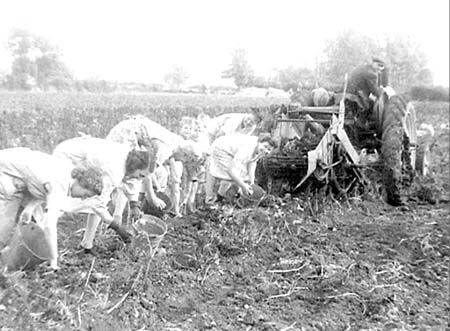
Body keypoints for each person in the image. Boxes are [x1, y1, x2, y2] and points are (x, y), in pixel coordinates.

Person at [0, 147, 116, 270]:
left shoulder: (68, 173)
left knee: (17, 216)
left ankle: (6, 257)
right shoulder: (60, 185)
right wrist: (53, 260)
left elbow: (43, 184)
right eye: (85, 194)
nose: (82, 199)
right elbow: (49, 225)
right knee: (7, 218)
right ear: (81, 183)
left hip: (16, 168)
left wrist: (29, 208)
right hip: (6, 169)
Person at [53, 136, 150, 253]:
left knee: (96, 201)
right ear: (135, 167)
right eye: (141, 175)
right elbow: (98, 203)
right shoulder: (114, 171)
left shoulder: (130, 160)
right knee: (65, 195)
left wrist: (134, 204)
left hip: (81, 154)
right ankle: (46, 222)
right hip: (68, 157)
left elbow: (132, 181)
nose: (139, 179)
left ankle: (86, 244)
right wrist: (117, 227)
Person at [106, 115, 205, 217]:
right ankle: (117, 213)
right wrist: (152, 197)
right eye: (185, 160)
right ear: (184, 154)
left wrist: (156, 187)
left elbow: (150, 170)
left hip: (130, 130)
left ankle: (122, 211)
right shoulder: (166, 149)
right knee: (126, 171)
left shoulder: (177, 143)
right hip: (126, 134)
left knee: (131, 174)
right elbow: (147, 172)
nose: (181, 162)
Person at [205, 134, 277, 205]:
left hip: (230, 150)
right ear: (259, 142)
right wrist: (243, 185)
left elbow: (252, 163)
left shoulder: (259, 150)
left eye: (269, 149)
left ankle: (220, 196)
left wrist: (252, 183)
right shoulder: (248, 149)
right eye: (265, 146)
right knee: (231, 174)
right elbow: (231, 170)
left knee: (238, 175)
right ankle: (212, 198)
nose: (266, 150)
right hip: (221, 148)